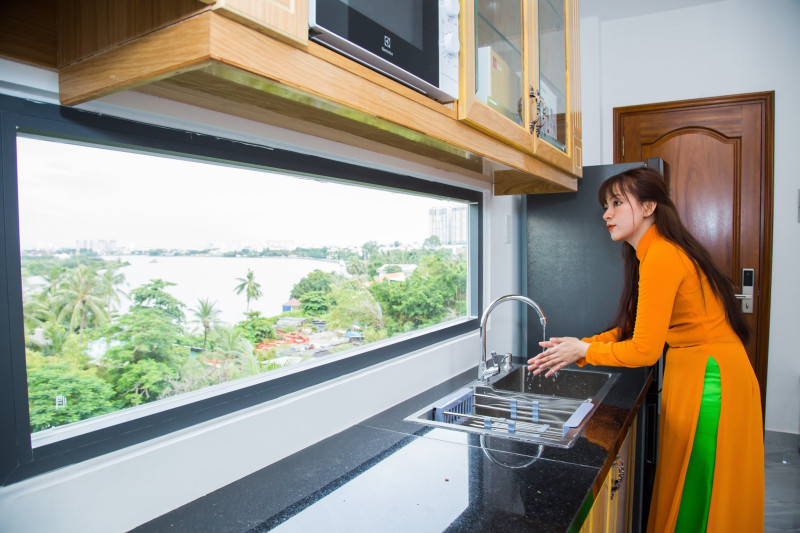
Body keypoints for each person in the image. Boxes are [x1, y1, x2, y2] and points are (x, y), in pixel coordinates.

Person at [526, 167, 764, 533]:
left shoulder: (662, 256)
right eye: (605, 206)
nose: (607, 214)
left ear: (650, 206)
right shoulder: (653, 253)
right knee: (696, 485)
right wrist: (580, 346)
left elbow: (643, 351)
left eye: (617, 204)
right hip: (702, 372)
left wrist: (583, 350)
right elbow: (631, 329)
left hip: (710, 383)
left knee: (699, 491)